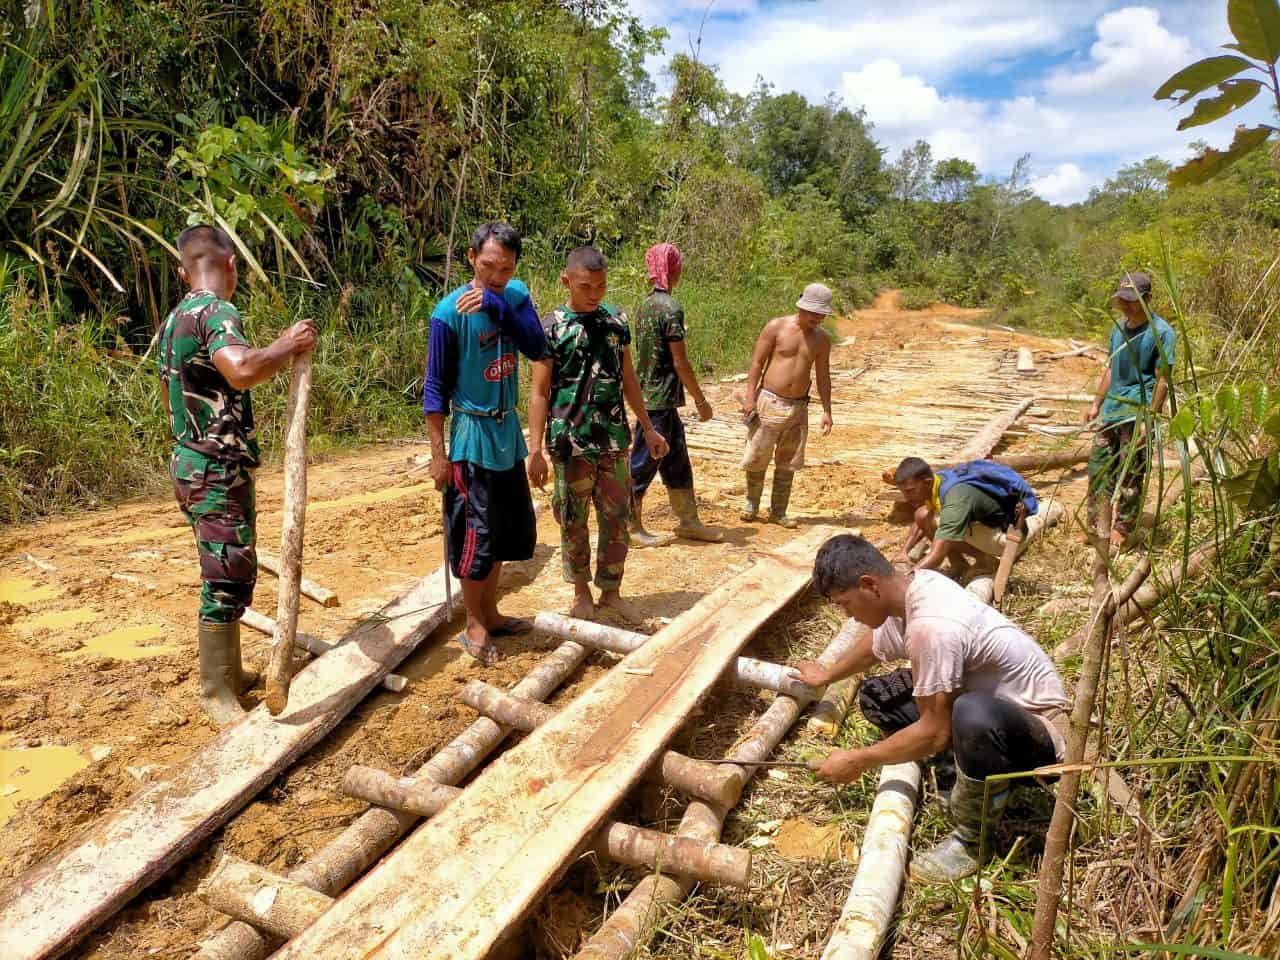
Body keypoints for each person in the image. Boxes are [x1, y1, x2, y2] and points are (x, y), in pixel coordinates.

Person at [792, 534, 1070, 882]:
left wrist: (858, 759)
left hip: (1038, 734)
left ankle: (972, 840)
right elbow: (877, 645)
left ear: (869, 585)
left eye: (846, 604)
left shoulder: (932, 626)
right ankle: (959, 766)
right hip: (988, 706)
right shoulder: (911, 590)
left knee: (968, 714)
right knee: (879, 696)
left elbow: (936, 730)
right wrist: (827, 674)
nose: (849, 616)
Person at [158, 224, 317, 725]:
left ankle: (230, 671)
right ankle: (216, 693)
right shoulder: (215, 311)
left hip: (194, 460)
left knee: (230, 566)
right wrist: (285, 345)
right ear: (232, 264)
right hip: (213, 466)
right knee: (225, 574)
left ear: (183, 271)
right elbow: (242, 369)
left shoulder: (177, 316)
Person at [422, 222, 547, 666]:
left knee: (505, 531)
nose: (497, 274)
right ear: (472, 257)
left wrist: (498, 305)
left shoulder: (513, 297)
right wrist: (439, 456)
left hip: (507, 434)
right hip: (471, 439)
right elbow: (434, 389)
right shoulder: (448, 313)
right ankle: (473, 622)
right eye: (489, 266)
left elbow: (537, 346)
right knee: (475, 535)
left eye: (506, 268)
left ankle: (491, 613)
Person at [527, 246, 669, 622]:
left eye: (601, 286)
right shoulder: (550, 326)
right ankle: (580, 592)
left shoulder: (617, 321)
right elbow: (539, 391)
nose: (594, 293)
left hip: (613, 440)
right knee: (572, 519)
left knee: (617, 517)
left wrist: (648, 428)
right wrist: (534, 449)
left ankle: (611, 591)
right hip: (569, 442)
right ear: (567, 281)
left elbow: (629, 380)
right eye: (586, 286)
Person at [629, 242, 723, 547]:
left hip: (656, 398)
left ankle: (688, 521)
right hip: (658, 401)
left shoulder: (644, 306)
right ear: (672, 269)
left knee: (677, 460)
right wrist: (701, 400)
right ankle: (629, 526)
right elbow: (680, 361)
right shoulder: (671, 308)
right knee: (643, 462)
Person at [1083, 271, 1175, 549]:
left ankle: (1123, 527)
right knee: (1098, 470)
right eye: (1122, 300)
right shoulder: (1118, 328)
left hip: (1136, 415)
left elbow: (1163, 380)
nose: (1125, 306)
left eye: (1132, 301)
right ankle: (1095, 526)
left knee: (1131, 474)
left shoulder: (1162, 333)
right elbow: (1111, 368)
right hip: (1110, 412)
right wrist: (1096, 403)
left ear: (1148, 299)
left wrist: (1151, 416)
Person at [740, 282, 835, 528]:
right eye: (813, 312)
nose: (817, 318)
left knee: (788, 460)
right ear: (802, 307)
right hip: (768, 402)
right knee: (757, 455)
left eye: (821, 313)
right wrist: (750, 397)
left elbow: (823, 376)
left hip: (797, 407)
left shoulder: (822, 340)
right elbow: (757, 364)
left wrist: (827, 410)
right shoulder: (776, 327)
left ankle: (778, 510)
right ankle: (752, 503)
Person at [890, 456, 1039, 578]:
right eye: (904, 492)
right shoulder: (938, 481)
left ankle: (986, 560)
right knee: (923, 514)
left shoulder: (955, 497)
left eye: (910, 491)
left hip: (1006, 540)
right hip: (989, 527)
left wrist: (908, 577)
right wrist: (904, 551)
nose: (906, 498)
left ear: (927, 482)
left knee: (942, 526)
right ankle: (958, 564)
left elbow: (938, 553)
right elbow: (921, 519)